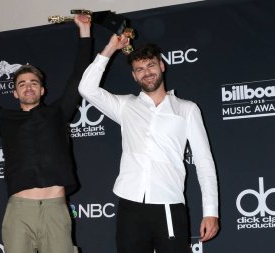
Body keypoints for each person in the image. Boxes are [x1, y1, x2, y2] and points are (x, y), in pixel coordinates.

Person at [0, 15, 92, 253]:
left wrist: (85, 32)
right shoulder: (5, 120)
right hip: (19, 212)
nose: (28, 86)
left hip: (55, 209)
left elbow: (78, 77)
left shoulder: (58, 113)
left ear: (42, 89)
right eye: (22, 83)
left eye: (34, 82)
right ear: (15, 92)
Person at [78, 34, 219, 253]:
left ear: (162, 66)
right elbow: (86, 88)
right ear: (134, 76)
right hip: (130, 206)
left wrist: (211, 211)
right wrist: (110, 48)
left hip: (169, 205)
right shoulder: (125, 106)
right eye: (140, 69)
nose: (147, 73)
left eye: (151, 65)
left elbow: (204, 162)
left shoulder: (186, 109)